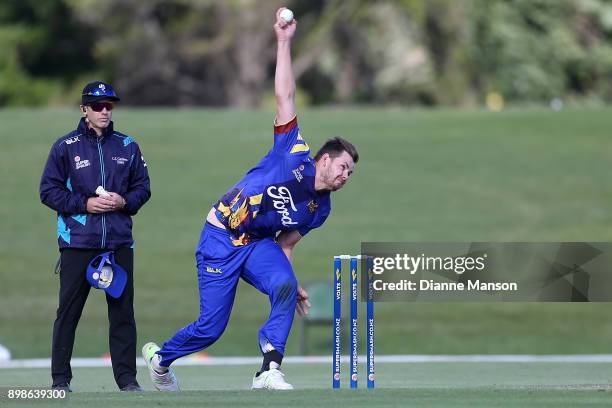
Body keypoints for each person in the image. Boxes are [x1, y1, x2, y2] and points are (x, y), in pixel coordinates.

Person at [142, 7, 358, 391]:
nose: (345, 176)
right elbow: (284, 93)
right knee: (211, 328)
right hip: (220, 237)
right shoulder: (293, 149)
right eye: (342, 167)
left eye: (350, 174)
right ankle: (161, 359)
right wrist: (283, 41)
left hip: (258, 245)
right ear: (324, 159)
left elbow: (286, 243)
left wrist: (286, 282)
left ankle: (269, 370)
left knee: (286, 288)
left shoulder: (320, 209)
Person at [40, 81, 151, 392]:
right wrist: (84, 204)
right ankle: (60, 381)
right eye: (97, 105)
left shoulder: (128, 145)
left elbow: (143, 188)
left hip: (118, 243)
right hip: (78, 243)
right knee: (68, 314)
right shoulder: (65, 147)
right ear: (83, 109)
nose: (104, 111)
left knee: (122, 315)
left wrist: (124, 201)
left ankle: (127, 381)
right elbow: (48, 191)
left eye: (109, 105)